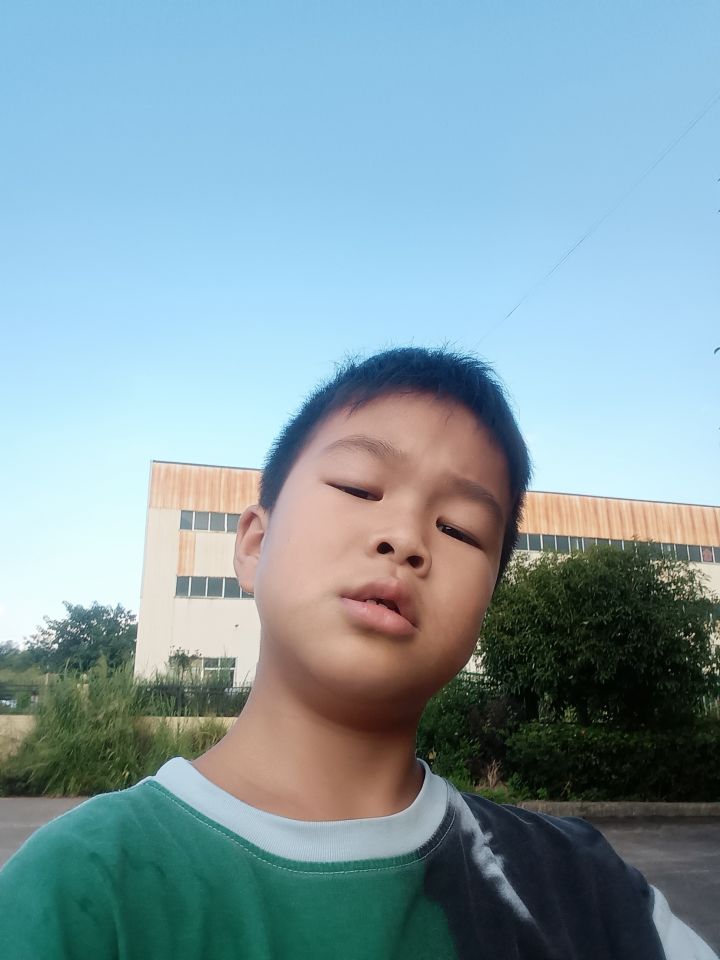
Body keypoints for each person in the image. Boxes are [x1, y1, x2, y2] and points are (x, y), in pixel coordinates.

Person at [0, 347, 715, 959]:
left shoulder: (583, 889)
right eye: (359, 487)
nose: (405, 538)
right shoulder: (82, 888)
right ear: (253, 544)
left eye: (460, 529)